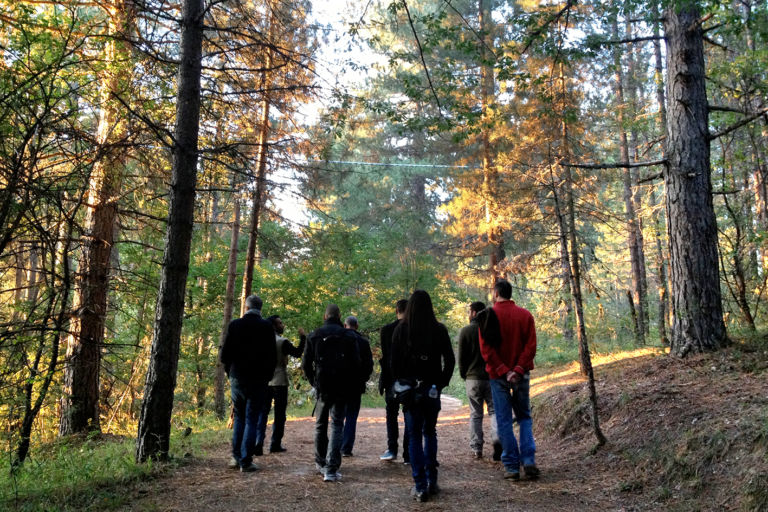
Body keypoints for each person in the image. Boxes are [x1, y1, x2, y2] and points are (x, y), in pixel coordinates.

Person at [391, 290, 455, 502]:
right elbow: (450, 360)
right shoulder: (439, 330)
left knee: (414, 435)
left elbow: (394, 364)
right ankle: (432, 480)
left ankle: (420, 486)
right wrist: (441, 382)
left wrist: (401, 385)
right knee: (430, 432)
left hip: (410, 391)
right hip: (431, 390)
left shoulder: (401, 331)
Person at [478, 280, 539, 481]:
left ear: (495, 293)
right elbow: (530, 346)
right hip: (521, 375)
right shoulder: (525, 315)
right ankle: (528, 460)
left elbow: (486, 350)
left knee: (504, 419)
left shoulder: (486, 316)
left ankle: (512, 466)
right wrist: (518, 369)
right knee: (524, 417)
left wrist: (504, 371)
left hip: (498, 376)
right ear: (510, 293)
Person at [303, 304, 361, 482]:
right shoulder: (349, 336)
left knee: (320, 424)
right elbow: (356, 363)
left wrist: (314, 381)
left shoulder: (314, 335)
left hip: (323, 386)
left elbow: (306, 364)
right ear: (339, 316)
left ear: (324, 316)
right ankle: (331, 468)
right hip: (342, 386)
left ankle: (320, 462)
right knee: (337, 424)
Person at [220, 295, 277, 472]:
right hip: (258, 380)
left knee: (239, 416)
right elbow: (272, 357)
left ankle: (236, 457)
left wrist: (230, 373)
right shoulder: (267, 327)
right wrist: (267, 377)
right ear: (260, 308)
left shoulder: (235, 325)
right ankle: (246, 460)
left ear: (246, 307)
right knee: (252, 418)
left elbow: (224, 355)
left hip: (237, 378)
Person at [255, 315, 306, 454]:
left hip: (264, 381)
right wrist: (303, 338)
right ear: (273, 326)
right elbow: (297, 353)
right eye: (280, 323)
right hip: (280, 381)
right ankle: (275, 444)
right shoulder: (283, 342)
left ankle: (258, 443)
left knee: (262, 413)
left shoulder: (260, 341)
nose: (282, 325)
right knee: (279, 414)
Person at [458, 301, 501, 461]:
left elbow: (462, 358)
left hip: (473, 378)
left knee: (476, 414)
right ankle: (497, 439)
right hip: (492, 377)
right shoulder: (491, 329)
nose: (468, 315)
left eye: (469, 311)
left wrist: (464, 374)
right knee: (494, 411)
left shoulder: (466, 331)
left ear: (475, 313)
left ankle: (477, 448)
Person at [378, 299, 410, 463]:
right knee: (409, 413)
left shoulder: (386, 330)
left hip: (391, 377)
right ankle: (408, 453)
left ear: (396, 310)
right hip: (409, 378)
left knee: (391, 413)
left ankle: (392, 449)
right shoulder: (414, 329)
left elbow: (386, 355)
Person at [340, 315, 374, 457]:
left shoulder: (339, 339)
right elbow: (369, 364)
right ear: (357, 326)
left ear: (344, 325)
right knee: (352, 416)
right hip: (356, 384)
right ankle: (346, 448)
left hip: (340, 384)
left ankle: (337, 445)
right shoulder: (363, 342)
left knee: (338, 416)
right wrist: (363, 379)